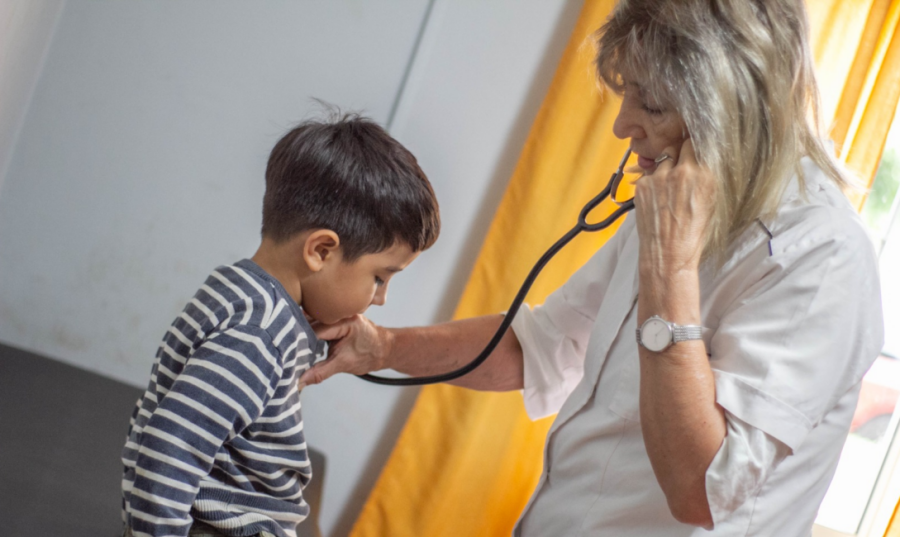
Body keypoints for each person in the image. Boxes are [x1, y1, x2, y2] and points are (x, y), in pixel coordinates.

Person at [298, 0, 884, 535]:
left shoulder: (821, 257)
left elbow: (701, 491)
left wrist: (670, 270)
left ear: (732, 106)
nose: (622, 125)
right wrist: (383, 348)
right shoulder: (676, 193)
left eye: (651, 103)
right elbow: (545, 345)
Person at [120, 113, 440, 537]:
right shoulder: (258, 335)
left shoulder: (240, 291)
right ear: (321, 251)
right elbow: (170, 452)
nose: (380, 298)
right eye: (379, 277)